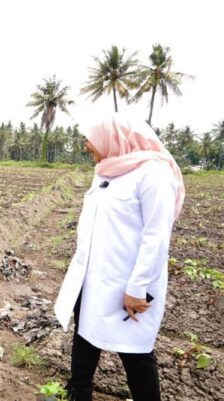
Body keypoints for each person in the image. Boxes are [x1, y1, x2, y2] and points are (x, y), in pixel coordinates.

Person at [53, 116, 185, 401]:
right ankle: (78, 395)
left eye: (90, 138)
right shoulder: (106, 171)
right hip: (93, 278)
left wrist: (137, 288)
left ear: (111, 137)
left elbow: (156, 237)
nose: (86, 145)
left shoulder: (154, 174)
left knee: (135, 353)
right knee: (84, 340)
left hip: (128, 284)